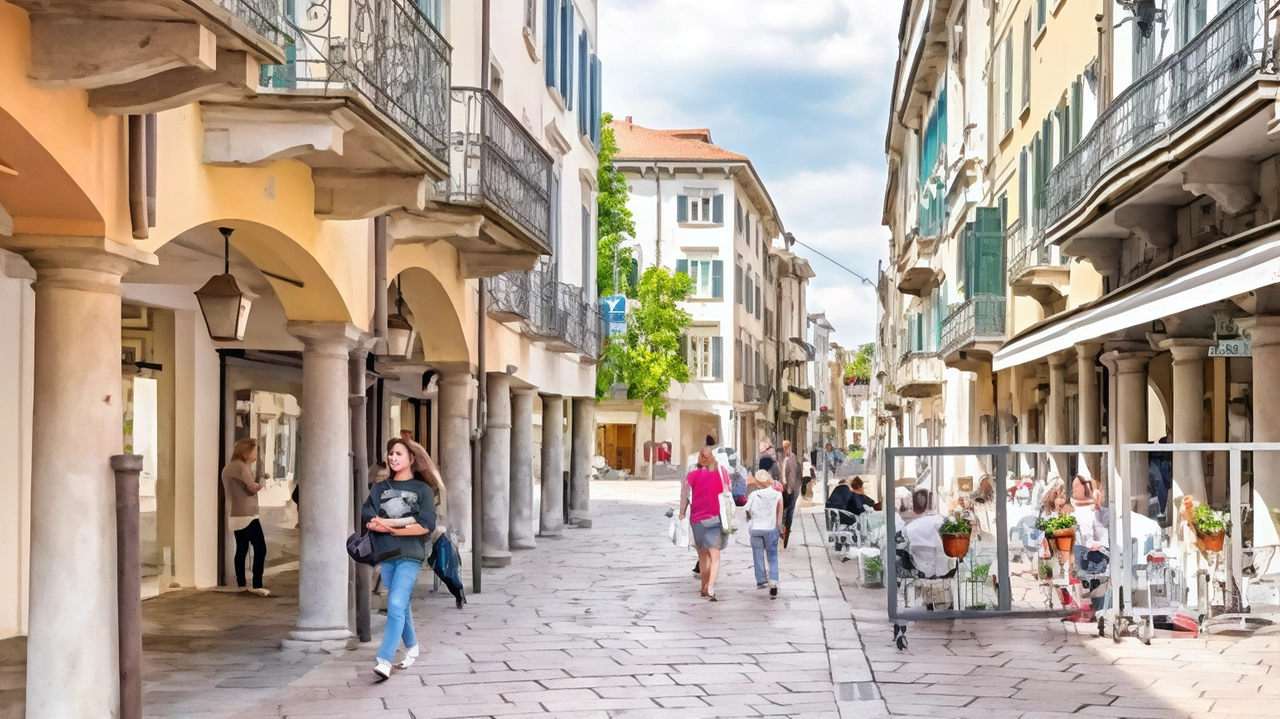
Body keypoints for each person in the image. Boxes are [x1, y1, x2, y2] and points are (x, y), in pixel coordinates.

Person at [361, 438, 440, 681]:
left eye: (399, 453)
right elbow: (368, 516)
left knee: (394, 603)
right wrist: (391, 524)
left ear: (411, 459)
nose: (393, 457)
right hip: (386, 554)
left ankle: (384, 659)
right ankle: (413, 645)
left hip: (411, 554)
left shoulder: (423, 490)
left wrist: (391, 527)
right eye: (391, 453)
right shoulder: (380, 488)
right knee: (401, 603)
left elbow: (426, 525)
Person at [221, 438, 270, 596]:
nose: (256, 453)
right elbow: (252, 488)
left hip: (234, 514)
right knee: (260, 548)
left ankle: (241, 583)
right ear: (246, 452)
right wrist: (262, 482)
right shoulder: (243, 467)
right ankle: (257, 584)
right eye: (255, 450)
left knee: (241, 549)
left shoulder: (228, 468)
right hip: (248, 514)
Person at [680, 446, 727, 601]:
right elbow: (729, 492)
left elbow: (684, 496)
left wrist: (681, 513)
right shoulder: (722, 474)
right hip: (716, 518)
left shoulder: (691, 475)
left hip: (697, 520)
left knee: (703, 555)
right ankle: (710, 586)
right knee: (715, 556)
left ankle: (703, 586)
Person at [745, 469, 783, 598]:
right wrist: (778, 528)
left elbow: (747, 511)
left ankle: (761, 580)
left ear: (757, 482)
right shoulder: (777, 494)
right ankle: (773, 582)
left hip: (756, 528)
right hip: (771, 528)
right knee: (772, 555)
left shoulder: (753, 495)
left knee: (758, 555)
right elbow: (779, 514)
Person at [780, 440, 801, 548]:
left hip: (792, 489)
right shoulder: (783, 457)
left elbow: (792, 474)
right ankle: (783, 532)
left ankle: (786, 533)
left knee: (788, 512)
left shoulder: (791, 458)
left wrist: (789, 488)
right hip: (784, 488)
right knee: (784, 511)